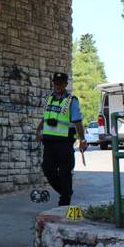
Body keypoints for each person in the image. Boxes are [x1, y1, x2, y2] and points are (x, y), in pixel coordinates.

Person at [35, 72, 87, 206]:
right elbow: (46, 117)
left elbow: (77, 121)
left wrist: (82, 140)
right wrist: (38, 129)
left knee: (65, 172)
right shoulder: (49, 99)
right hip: (49, 141)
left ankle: (64, 202)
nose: (57, 86)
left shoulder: (71, 100)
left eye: (60, 83)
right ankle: (66, 192)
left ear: (65, 84)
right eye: (55, 83)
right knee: (48, 169)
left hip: (64, 142)